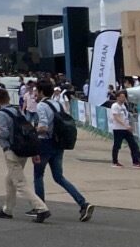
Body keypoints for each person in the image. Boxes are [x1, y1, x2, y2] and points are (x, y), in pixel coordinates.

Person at [32, 80, 94, 221]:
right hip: (58, 143)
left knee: (38, 176)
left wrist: (31, 131)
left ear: (41, 92)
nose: (35, 93)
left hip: (45, 143)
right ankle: (83, 203)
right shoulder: (57, 104)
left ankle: (41, 207)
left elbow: (43, 127)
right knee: (59, 177)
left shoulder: (42, 105)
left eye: (37, 91)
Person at [0, 88, 49, 222]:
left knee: (20, 183)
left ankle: (41, 208)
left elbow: (3, 133)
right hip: (23, 149)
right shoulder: (17, 110)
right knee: (9, 180)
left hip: (11, 150)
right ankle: (7, 209)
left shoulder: (1, 114)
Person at [109, 90, 140, 168]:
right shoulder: (115, 106)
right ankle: (115, 161)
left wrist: (128, 126)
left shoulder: (123, 106)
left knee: (133, 144)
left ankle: (136, 161)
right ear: (118, 98)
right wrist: (125, 125)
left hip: (126, 129)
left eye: (124, 97)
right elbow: (116, 117)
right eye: (122, 97)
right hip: (118, 129)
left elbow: (126, 117)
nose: (123, 98)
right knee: (117, 145)